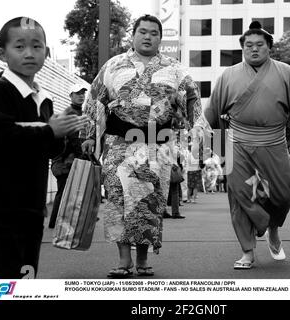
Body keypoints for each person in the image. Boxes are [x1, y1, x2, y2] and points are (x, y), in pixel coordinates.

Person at [81, 15, 205, 278]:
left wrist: (190, 129)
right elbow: (94, 102)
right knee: (117, 198)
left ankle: (143, 259)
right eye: (143, 32)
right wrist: (90, 135)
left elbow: (193, 101)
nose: (148, 37)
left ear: (160, 38)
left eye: (154, 33)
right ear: (133, 35)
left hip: (156, 144)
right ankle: (123, 260)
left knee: (150, 200)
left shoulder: (175, 68)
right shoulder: (113, 66)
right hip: (118, 143)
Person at [204, 21, 290, 269]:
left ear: (269, 47)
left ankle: (272, 226)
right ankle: (247, 252)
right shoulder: (228, 76)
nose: (254, 49)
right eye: (248, 45)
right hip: (238, 142)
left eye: (259, 45)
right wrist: (202, 130)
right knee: (239, 196)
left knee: (283, 194)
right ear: (242, 48)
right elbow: (211, 111)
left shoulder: (286, 73)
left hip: (274, 141)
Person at [0, 17, 87, 279]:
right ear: (2, 54)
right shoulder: (0, 91)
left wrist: (61, 134)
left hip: (32, 204)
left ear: (46, 53)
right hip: (3, 206)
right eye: (20, 47)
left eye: (37, 46)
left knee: (27, 273)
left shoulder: (44, 99)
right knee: (6, 276)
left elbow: (48, 150)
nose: (29, 53)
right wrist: (51, 130)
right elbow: (4, 138)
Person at [48, 83, 89, 228]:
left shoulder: (79, 112)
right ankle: (55, 223)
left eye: (83, 93)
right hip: (64, 161)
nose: (81, 96)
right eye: (77, 93)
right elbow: (73, 137)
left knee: (68, 191)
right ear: (70, 96)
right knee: (63, 191)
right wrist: (80, 156)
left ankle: (63, 221)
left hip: (68, 159)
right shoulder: (71, 112)